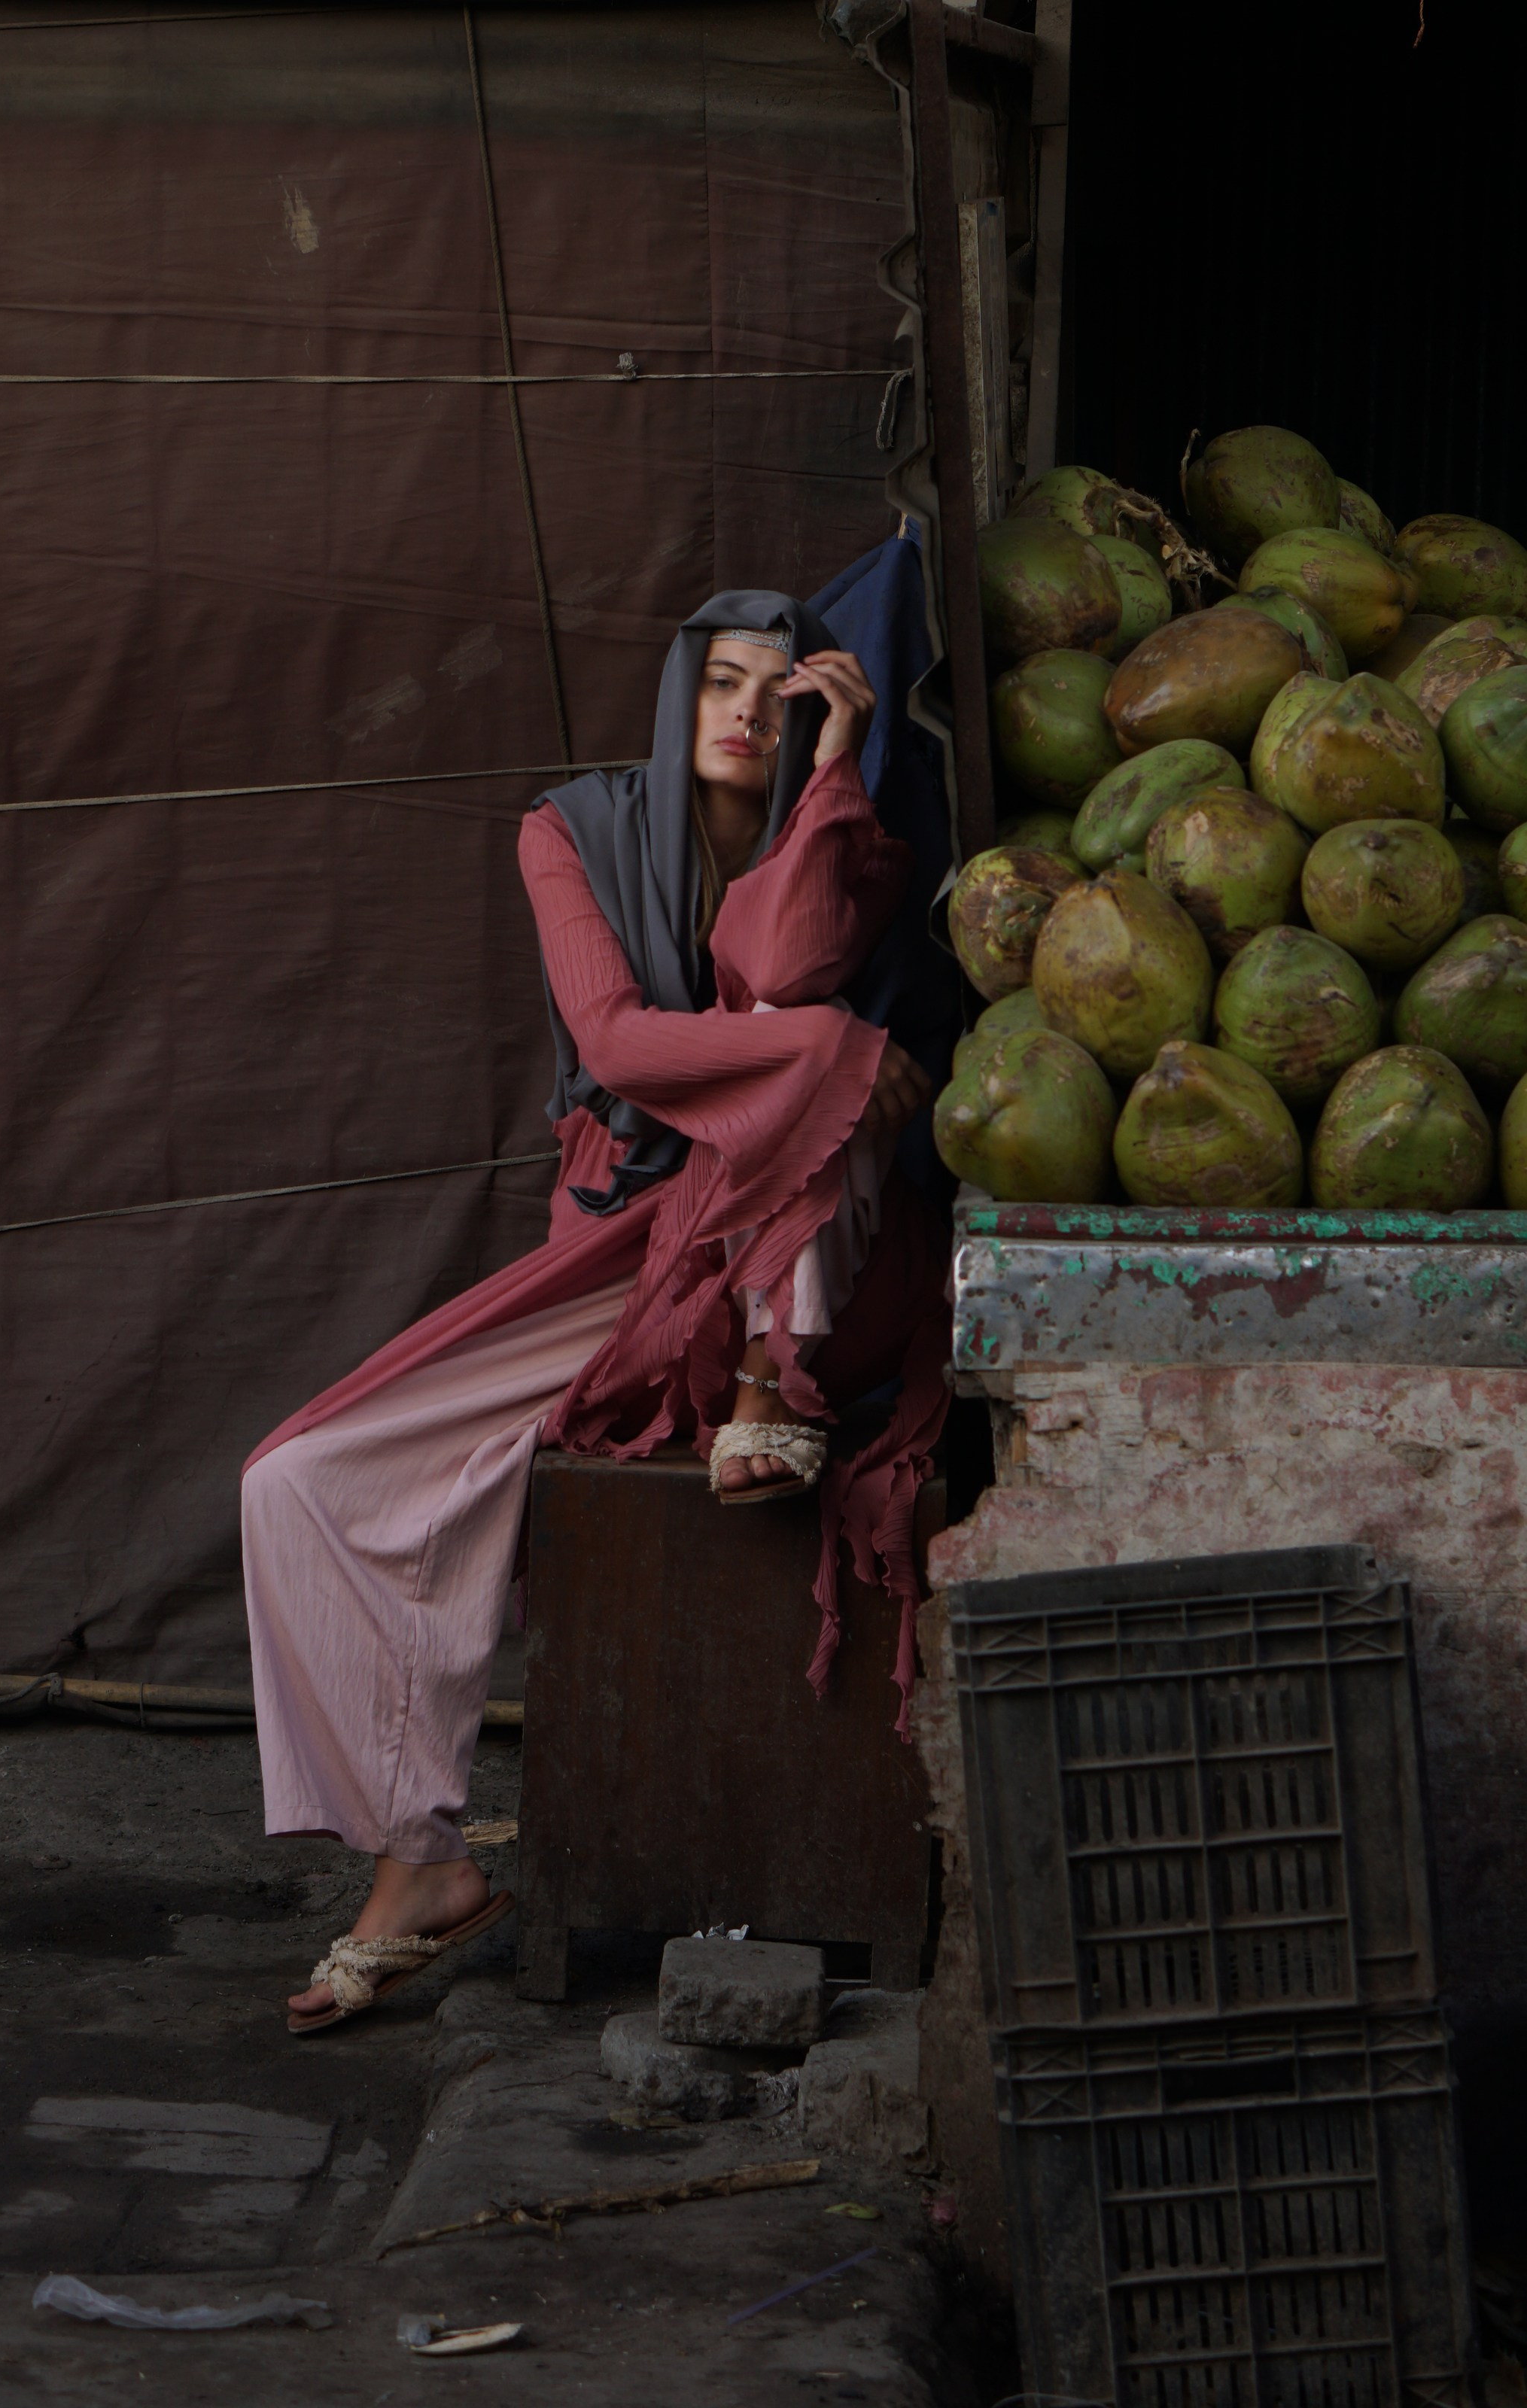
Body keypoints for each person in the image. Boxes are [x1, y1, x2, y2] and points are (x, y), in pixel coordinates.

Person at [241, 588, 951, 2034]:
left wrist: (831, 784)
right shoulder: (567, 830)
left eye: (785, 692)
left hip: (815, 1274)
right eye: (721, 684)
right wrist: (818, 1056)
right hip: (623, 1251)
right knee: (298, 1479)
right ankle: (416, 1863)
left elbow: (791, 971)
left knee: (800, 1033)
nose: (748, 712)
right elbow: (617, 1044)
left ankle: (770, 1384)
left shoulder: (850, 838)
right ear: (675, 694)